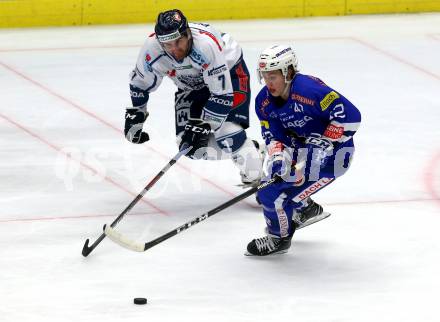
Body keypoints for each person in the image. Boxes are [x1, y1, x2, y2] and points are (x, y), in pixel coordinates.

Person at [125, 9, 263, 186]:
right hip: (189, 85)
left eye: (178, 42)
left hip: (230, 73)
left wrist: (203, 125)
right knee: (189, 146)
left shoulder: (205, 46)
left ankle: (255, 175)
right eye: (168, 45)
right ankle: (250, 149)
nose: (174, 50)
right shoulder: (152, 48)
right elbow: (140, 83)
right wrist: (137, 115)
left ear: (188, 34)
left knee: (227, 133)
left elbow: (222, 94)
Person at [246, 45, 361, 256]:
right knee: (270, 188)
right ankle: (306, 208)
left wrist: (326, 142)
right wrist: (280, 160)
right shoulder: (263, 102)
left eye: (273, 76)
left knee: (272, 195)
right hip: (301, 153)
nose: (268, 82)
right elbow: (274, 137)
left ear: (288, 72)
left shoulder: (311, 91)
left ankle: (279, 239)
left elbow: (351, 117)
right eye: (264, 76)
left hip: (334, 159)